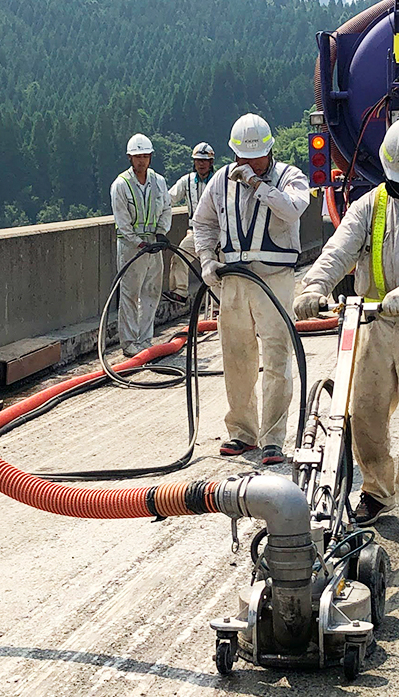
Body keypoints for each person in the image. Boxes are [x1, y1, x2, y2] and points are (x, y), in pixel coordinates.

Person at [293, 116, 399, 543]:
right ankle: (376, 489)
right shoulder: (369, 205)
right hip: (374, 325)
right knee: (363, 412)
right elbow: (340, 247)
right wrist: (315, 284)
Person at [193, 114, 309, 466]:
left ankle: (273, 438)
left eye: (255, 157)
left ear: (270, 150)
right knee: (237, 356)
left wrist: (260, 185)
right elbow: (204, 221)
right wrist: (206, 259)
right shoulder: (220, 181)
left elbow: (291, 211)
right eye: (242, 158)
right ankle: (242, 433)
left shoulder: (290, 177)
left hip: (274, 279)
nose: (248, 164)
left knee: (277, 357)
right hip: (235, 279)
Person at [110, 133, 172, 356]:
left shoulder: (159, 181)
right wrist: (138, 243)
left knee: (151, 291)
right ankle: (129, 343)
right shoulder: (121, 185)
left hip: (154, 245)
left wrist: (161, 233)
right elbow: (122, 222)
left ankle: (146, 339)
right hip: (131, 248)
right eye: (137, 157)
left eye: (145, 156)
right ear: (130, 158)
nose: (141, 161)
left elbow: (166, 208)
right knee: (129, 293)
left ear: (151, 157)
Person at [164, 142, 215, 304]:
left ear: (211, 162)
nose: (201, 163)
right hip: (195, 232)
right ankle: (180, 291)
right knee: (180, 257)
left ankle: (218, 304)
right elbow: (169, 198)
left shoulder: (218, 180)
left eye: (204, 160)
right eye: (198, 160)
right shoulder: (187, 181)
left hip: (217, 232)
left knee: (217, 268)